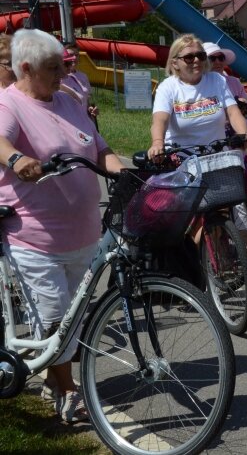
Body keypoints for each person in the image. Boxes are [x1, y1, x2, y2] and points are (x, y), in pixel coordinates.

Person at [0, 29, 124, 422]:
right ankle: (67, 391)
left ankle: (56, 379)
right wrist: (17, 160)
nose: (62, 74)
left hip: (84, 234)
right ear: (25, 68)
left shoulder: (68, 100)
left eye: (63, 66)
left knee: (73, 318)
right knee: (53, 317)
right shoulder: (9, 104)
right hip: (35, 236)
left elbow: (99, 148)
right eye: (53, 68)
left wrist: (126, 174)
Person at [201, 41, 247, 267]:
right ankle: (221, 254)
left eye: (220, 58)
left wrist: (242, 111)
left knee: (241, 205)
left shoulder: (234, 82)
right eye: (212, 58)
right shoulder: (200, 86)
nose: (218, 62)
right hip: (211, 151)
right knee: (217, 208)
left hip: (234, 150)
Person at [148, 33, 247, 158]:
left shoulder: (217, 80)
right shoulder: (167, 87)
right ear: (175, 63)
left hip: (217, 157)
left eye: (201, 55)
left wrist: (244, 135)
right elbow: (161, 120)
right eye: (189, 57)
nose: (197, 60)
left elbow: (233, 112)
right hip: (181, 160)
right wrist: (157, 143)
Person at [59, 42, 98, 122]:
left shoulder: (83, 76)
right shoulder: (58, 78)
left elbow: (86, 100)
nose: (74, 58)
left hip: (86, 121)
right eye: (70, 55)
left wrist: (90, 109)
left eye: (76, 55)